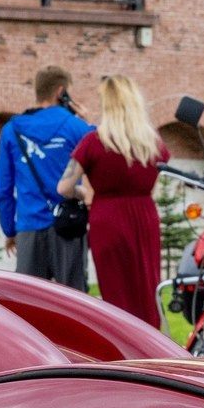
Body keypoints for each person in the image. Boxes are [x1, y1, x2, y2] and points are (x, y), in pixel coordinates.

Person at [60, 75, 168, 328]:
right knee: (146, 286)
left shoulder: (94, 142)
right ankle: (150, 341)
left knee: (116, 292)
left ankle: (121, 344)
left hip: (107, 219)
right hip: (145, 216)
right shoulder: (152, 143)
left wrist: (84, 194)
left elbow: (63, 187)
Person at [0, 65, 91, 291]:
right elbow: (99, 157)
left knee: (29, 301)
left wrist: (10, 230)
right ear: (61, 92)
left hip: (29, 227)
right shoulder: (77, 127)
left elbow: (3, 187)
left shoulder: (11, 130)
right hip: (69, 225)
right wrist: (88, 124)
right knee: (74, 301)